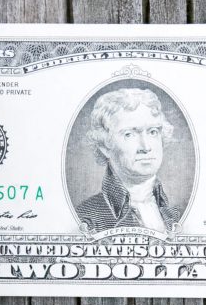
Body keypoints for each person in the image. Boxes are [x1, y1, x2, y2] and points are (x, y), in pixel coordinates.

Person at [76, 87, 181, 232]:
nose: (145, 147)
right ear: (105, 146)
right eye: (129, 134)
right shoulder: (86, 217)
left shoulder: (176, 215)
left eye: (153, 132)